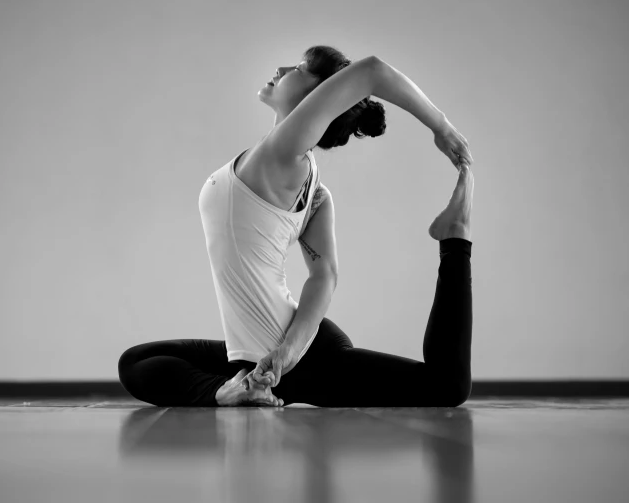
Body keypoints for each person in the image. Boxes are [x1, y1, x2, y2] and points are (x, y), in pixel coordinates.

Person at [118, 45, 475, 408]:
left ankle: (455, 235)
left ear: (319, 95)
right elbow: (325, 276)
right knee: (137, 362)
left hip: (301, 361)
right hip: (278, 349)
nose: (282, 67)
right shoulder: (312, 186)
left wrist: (441, 126)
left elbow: (372, 72)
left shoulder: (282, 155)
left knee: (446, 386)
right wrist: (285, 351)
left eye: (300, 69)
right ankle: (229, 391)